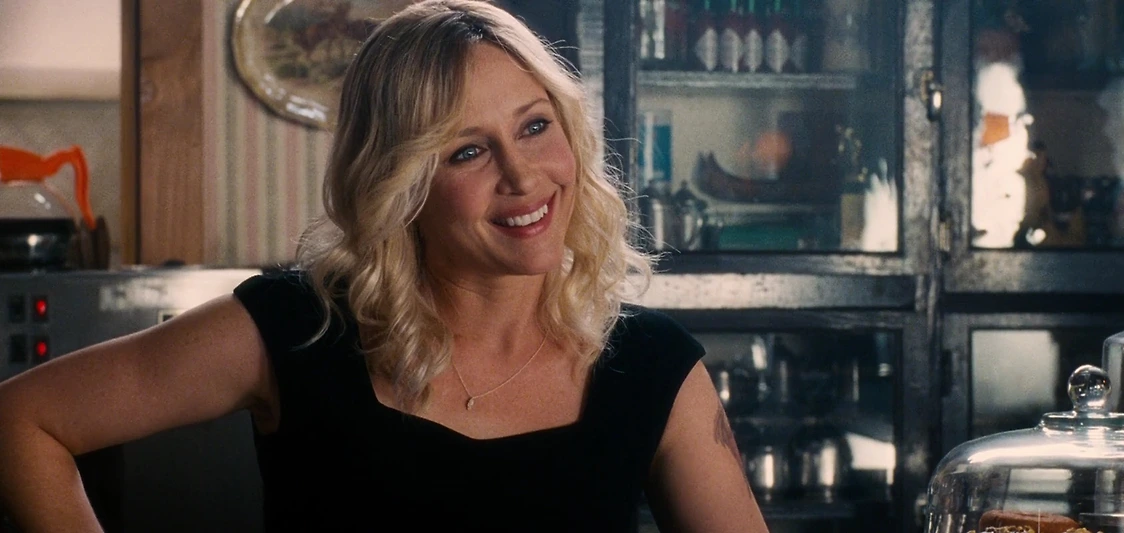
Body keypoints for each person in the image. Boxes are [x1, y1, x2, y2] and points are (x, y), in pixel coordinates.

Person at [0, 1, 768, 531]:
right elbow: (21, 420)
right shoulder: (297, 330)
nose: (523, 175)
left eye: (535, 126)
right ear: (400, 184)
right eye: (467, 151)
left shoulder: (654, 367)